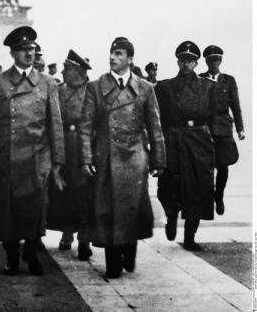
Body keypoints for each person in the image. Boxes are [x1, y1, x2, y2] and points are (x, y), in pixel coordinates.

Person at [0, 26, 65, 276]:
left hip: (37, 155)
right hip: (7, 154)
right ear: (13, 53)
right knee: (8, 208)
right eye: (24, 50)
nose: (29, 54)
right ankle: (11, 253)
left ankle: (30, 250)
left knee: (35, 206)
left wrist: (58, 158)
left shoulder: (48, 83)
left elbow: (55, 122)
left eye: (32, 50)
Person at [78, 37, 165, 279]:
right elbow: (85, 127)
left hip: (135, 157)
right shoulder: (95, 87)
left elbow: (155, 126)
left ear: (130, 59)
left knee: (131, 208)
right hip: (106, 157)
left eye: (118, 53)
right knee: (107, 210)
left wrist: (159, 160)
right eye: (111, 53)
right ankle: (113, 261)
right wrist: (86, 158)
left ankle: (130, 248)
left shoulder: (145, 88)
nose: (112, 57)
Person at [155, 41, 217, 250]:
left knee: (200, 186)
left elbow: (215, 117)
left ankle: (190, 236)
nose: (186, 64)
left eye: (190, 60)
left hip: (199, 140)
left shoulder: (208, 86)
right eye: (183, 59)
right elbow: (159, 118)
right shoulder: (165, 87)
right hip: (174, 139)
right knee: (169, 184)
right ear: (178, 61)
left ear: (197, 62)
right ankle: (171, 216)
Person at [47, 50, 93, 261]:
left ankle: (84, 237)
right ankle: (67, 231)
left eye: (67, 68)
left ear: (78, 71)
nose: (63, 72)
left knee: (84, 193)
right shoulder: (58, 90)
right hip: (62, 144)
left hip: (84, 146)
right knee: (63, 192)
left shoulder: (92, 91)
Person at [198, 45, 245, 215]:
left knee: (223, 166)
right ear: (206, 61)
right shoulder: (200, 78)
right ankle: (208, 196)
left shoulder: (229, 80)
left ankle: (219, 196)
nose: (214, 63)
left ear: (221, 60)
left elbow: (236, 105)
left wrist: (240, 128)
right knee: (206, 166)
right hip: (205, 128)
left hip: (224, 127)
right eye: (210, 59)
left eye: (216, 59)